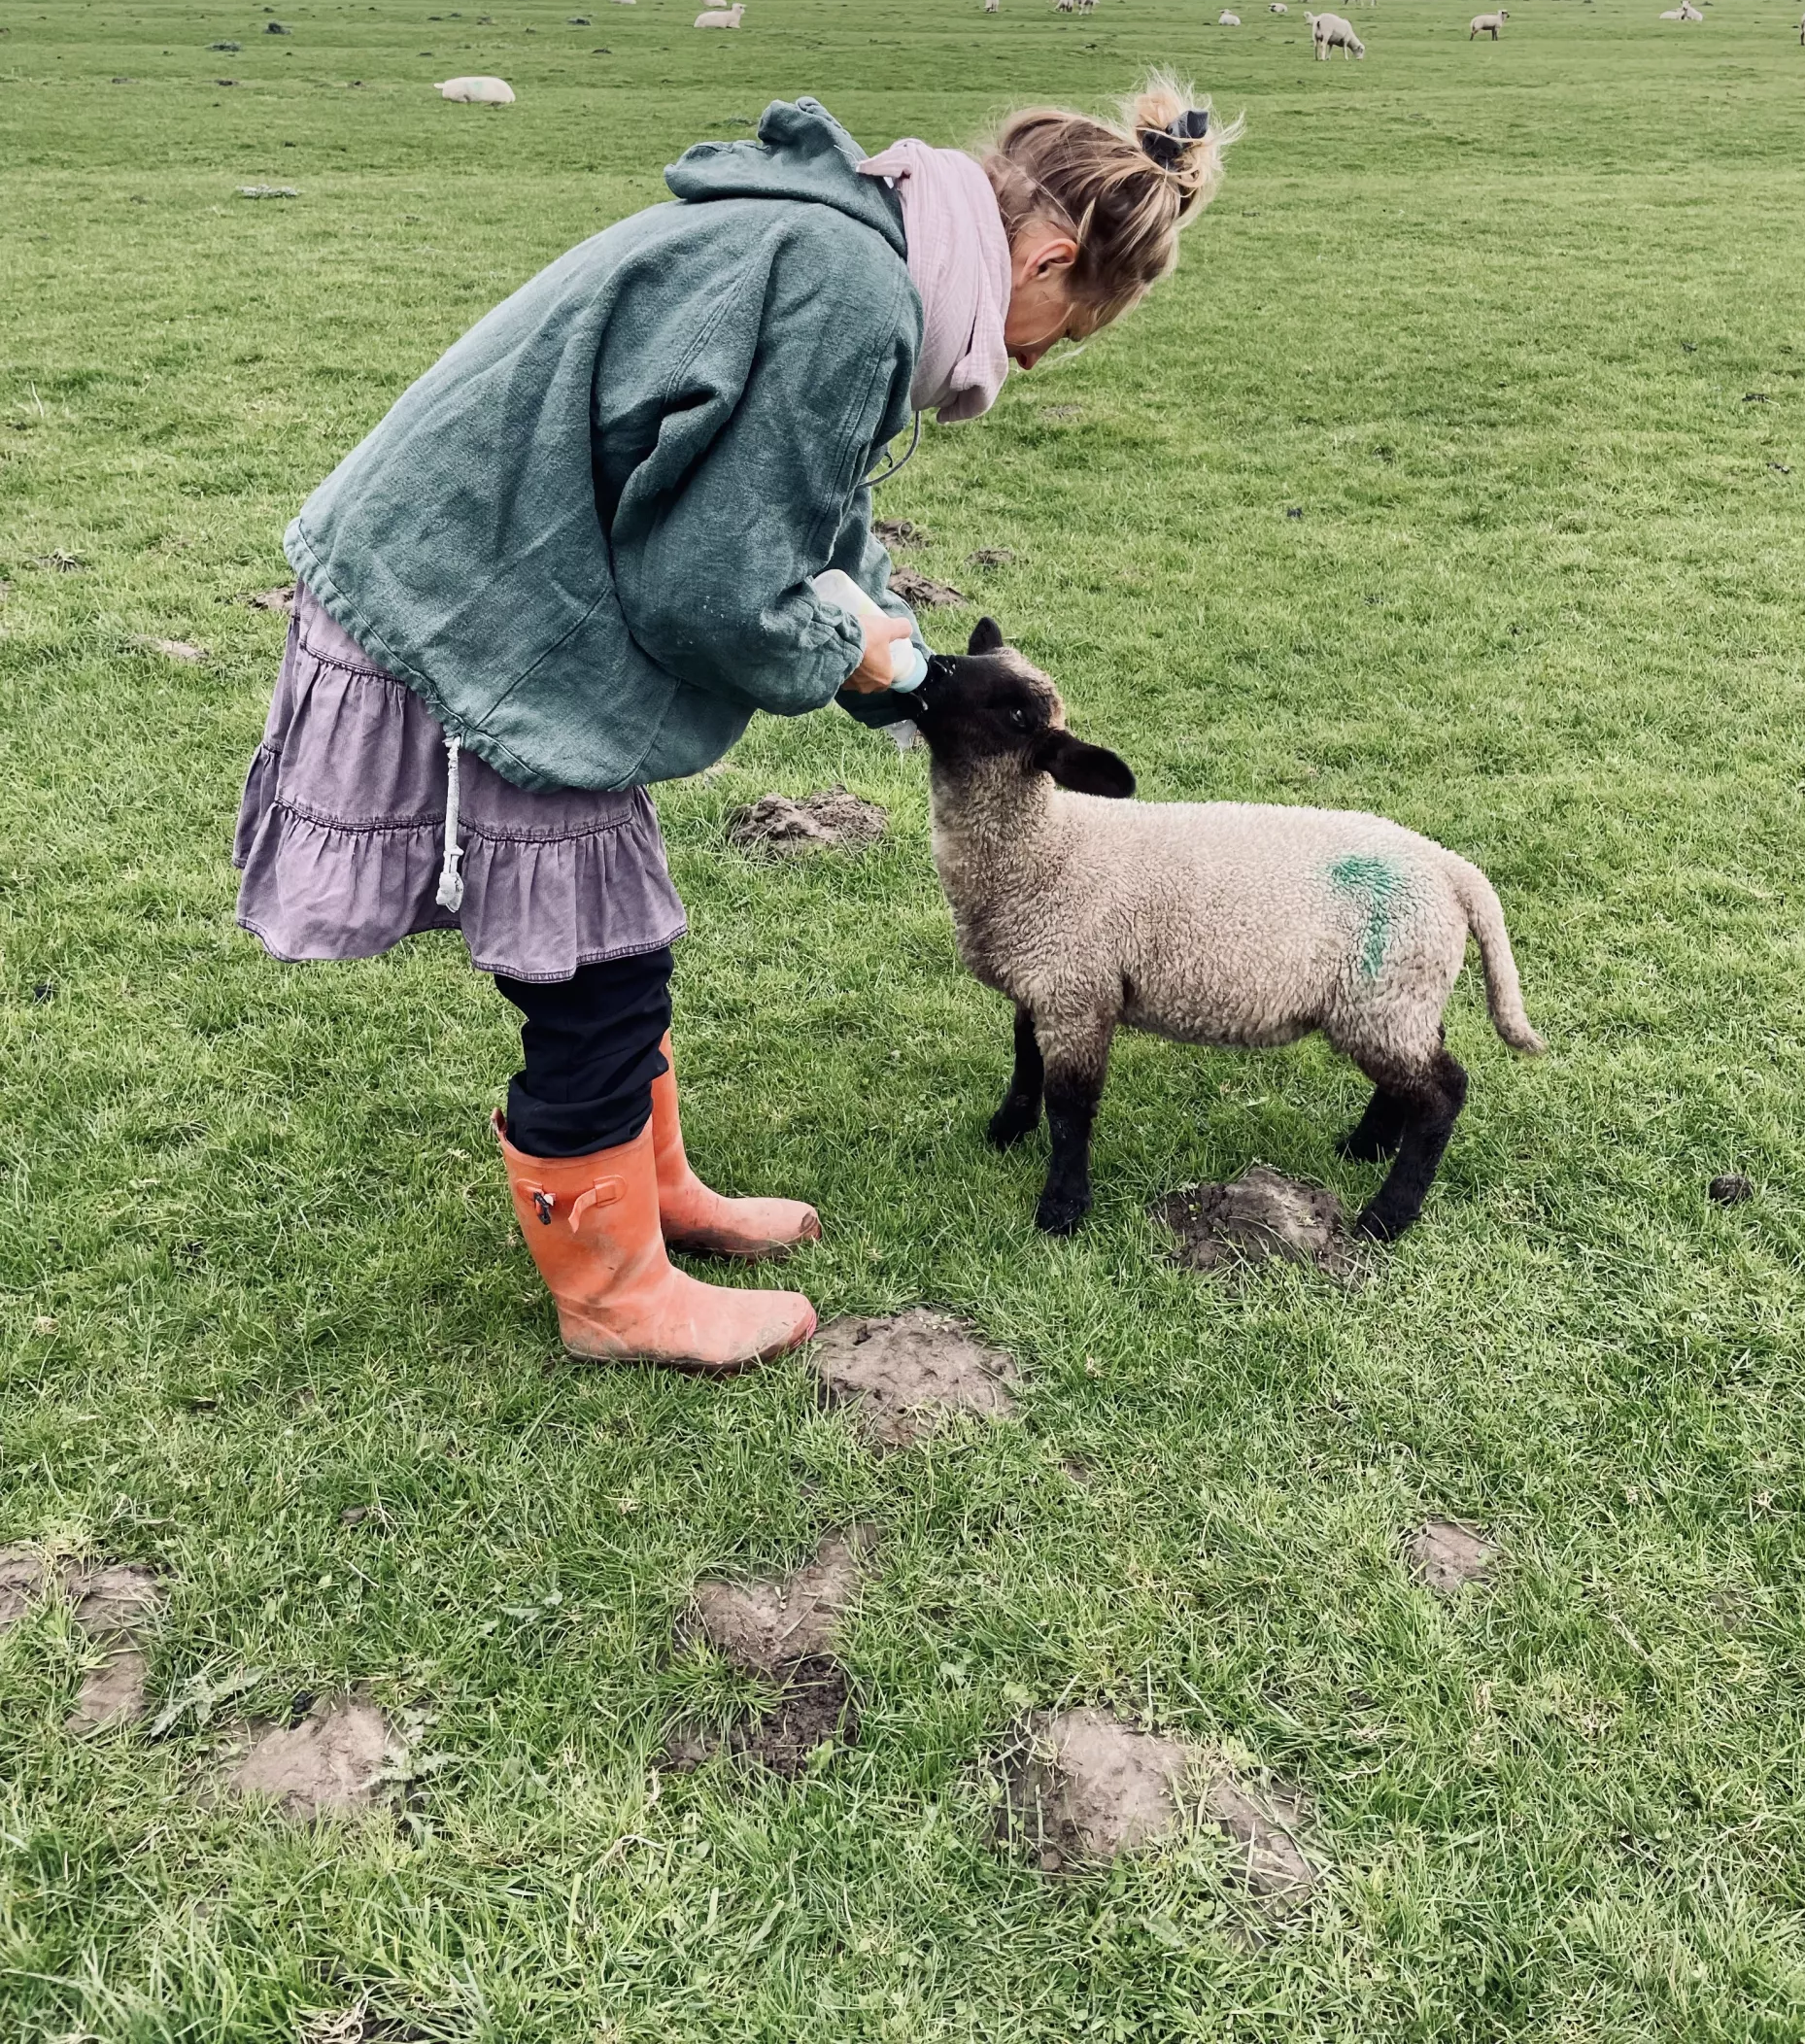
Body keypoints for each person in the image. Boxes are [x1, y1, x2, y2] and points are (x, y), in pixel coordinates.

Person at [234, 75, 1232, 1374]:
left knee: (618, 947)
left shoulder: (849, 247)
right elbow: (712, 588)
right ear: (1044, 257)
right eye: (1063, 331)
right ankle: (610, 1295)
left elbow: (799, 511)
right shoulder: (851, 290)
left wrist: (901, 658)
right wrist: (844, 648)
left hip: (502, 583)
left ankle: (648, 1203)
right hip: (474, 611)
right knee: (590, 973)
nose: (1032, 359)